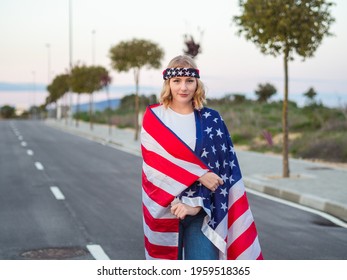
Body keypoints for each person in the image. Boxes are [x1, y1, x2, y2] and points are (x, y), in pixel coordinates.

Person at [141, 55, 263, 260]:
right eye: (177, 81)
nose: (183, 87)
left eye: (189, 81)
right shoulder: (155, 117)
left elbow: (223, 167)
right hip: (165, 207)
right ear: (168, 83)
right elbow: (156, 161)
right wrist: (200, 174)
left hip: (202, 210)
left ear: (197, 83)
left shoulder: (212, 119)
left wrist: (196, 204)